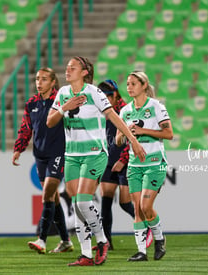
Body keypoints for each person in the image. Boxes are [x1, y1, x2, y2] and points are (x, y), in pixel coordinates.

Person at [46, 56, 146, 266]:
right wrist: (66, 106)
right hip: (72, 155)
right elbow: (50, 121)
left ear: (84, 72)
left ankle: (101, 240)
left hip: (94, 154)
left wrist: (133, 140)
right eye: (67, 67)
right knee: (77, 204)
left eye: (73, 67)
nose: (68, 70)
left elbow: (114, 117)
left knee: (83, 201)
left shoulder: (94, 92)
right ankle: (86, 255)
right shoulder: (63, 93)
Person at [12, 67, 73, 254]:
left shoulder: (62, 101)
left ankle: (42, 240)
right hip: (40, 155)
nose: (39, 82)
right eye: (37, 78)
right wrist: (18, 149)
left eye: (44, 79)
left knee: (47, 194)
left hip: (58, 153)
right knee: (53, 199)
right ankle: (66, 241)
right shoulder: (31, 103)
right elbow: (26, 128)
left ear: (53, 82)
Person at [116, 71, 173, 262]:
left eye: (133, 83)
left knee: (145, 205)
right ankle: (142, 252)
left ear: (144, 85)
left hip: (155, 162)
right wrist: (125, 135)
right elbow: (117, 140)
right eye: (128, 84)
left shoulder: (156, 106)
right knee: (138, 209)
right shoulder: (125, 111)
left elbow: (169, 133)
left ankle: (159, 238)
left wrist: (142, 131)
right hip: (134, 164)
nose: (129, 87)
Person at [96, 79, 153, 251]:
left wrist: (122, 160)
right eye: (102, 96)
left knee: (125, 202)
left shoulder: (126, 110)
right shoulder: (102, 110)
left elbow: (133, 138)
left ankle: (149, 226)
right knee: (105, 199)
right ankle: (106, 242)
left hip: (126, 161)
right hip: (107, 160)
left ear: (115, 94)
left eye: (108, 96)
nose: (105, 99)